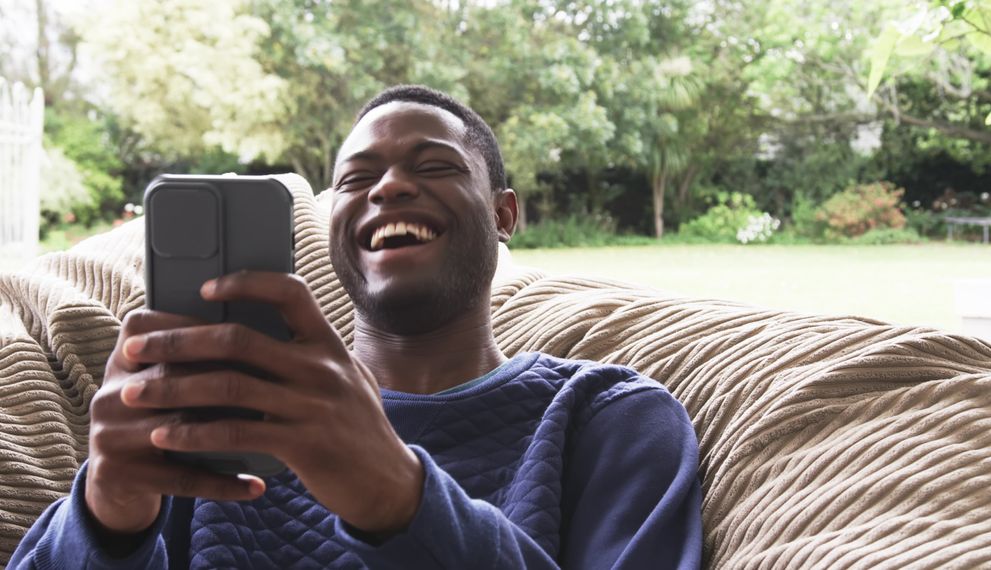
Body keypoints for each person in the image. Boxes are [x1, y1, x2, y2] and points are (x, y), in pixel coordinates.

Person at [9, 85, 703, 569]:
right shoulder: (220, 407)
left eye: (434, 165)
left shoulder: (607, 416)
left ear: (503, 214)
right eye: (355, 178)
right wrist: (106, 518)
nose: (389, 186)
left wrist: (399, 496)